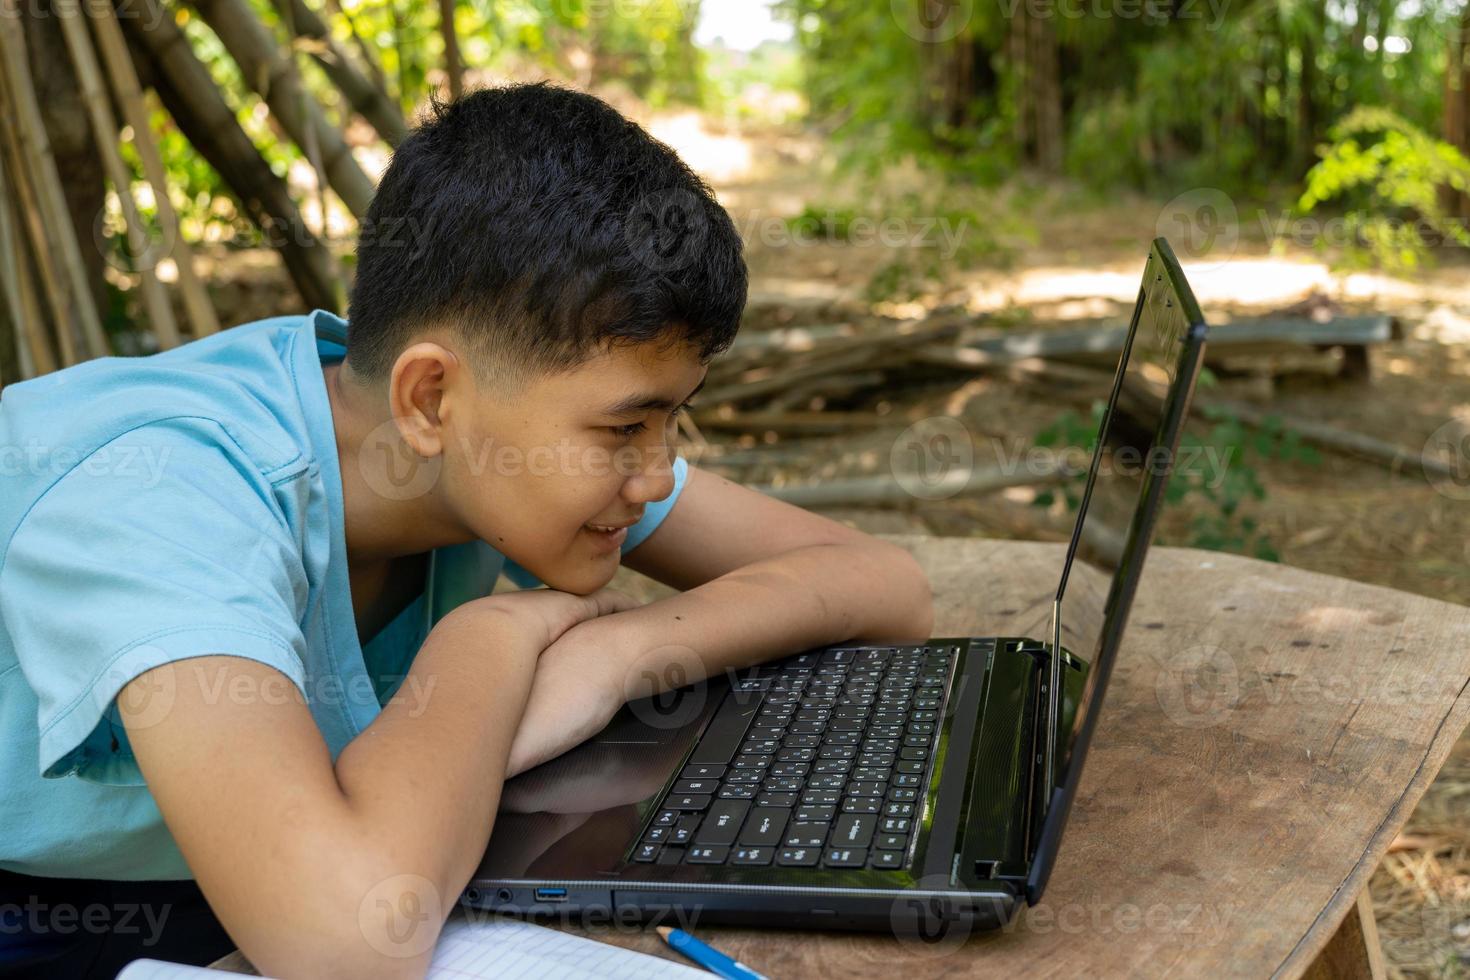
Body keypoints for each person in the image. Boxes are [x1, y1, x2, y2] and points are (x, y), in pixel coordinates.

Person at [0, 82, 934, 979]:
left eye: (669, 421)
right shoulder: (168, 496)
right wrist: (489, 636)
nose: (654, 476)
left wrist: (621, 653)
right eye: (624, 428)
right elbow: (345, 943)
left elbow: (882, 584)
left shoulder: (483, 446)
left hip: (271, 871)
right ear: (430, 396)